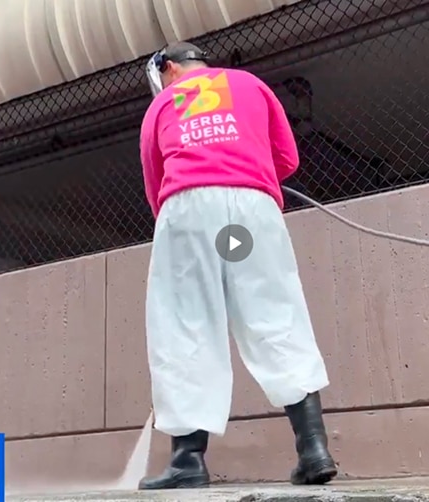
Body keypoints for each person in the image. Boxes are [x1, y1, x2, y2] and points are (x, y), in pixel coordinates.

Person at [137, 41, 338, 490]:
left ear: (168, 68)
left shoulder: (163, 104)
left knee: (185, 322)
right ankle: (313, 449)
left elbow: (156, 182)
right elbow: (287, 158)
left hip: (187, 210)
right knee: (275, 313)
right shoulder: (250, 85)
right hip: (251, 211)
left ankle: (188, 461)